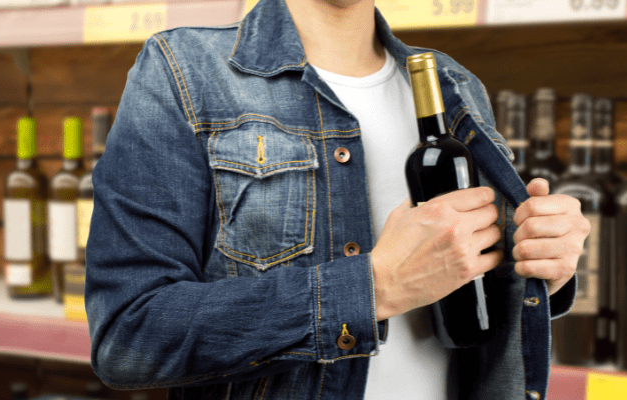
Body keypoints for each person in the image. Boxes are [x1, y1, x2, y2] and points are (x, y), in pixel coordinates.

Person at [84, 0, 589, 398]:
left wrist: (538, 264)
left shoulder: (452, 85)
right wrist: (374, 287)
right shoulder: (182, 73)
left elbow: (472, 296)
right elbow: (130, 335)